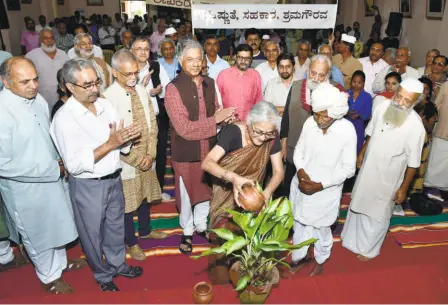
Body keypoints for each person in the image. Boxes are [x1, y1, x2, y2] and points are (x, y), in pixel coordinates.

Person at [50, 58, 143, 291]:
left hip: (113, 178)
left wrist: (125, 139)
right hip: (87, 185)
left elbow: (121, 145)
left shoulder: (106, 106)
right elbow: (73, 165)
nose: (94, 89)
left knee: (115, 227)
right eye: (87, 85)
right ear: (70, 87)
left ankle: (118, 265)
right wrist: (111, 143)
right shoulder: (64, 118)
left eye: (96, 82)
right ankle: (103, 275)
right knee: (91, 234)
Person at [0, 57, 81, 294]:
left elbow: (49, 137)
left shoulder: (37, 100)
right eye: (25, 81)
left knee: (57, 223)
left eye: (35, 79)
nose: (33, 86)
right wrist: (49, 170)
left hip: (53, 177)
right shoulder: (2, 112)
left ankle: (61, 265)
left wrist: (61, 163)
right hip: (24, 188)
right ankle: (49, 277)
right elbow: (3, 164)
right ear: (5, 81)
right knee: (37, 232)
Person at [341, 78, 426, 261]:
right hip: (368, 167)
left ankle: (369, 250)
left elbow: (413, 164)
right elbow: (371, 133)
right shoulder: (381, 107)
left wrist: (403, 188)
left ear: (415, 103)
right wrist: (362, 153)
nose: (400, 102)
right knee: (358, 203)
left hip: (389, 175)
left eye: (407, 100)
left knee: (377, 213)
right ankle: (351, 240)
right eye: (399, 96)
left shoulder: (416, 126)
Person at [164, 40, 235, 254]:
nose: (196, 64)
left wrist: (226, 118)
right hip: (185, 151)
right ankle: (186, 230)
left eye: (199, 59)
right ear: (180, 60)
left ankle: (202, 225)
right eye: (190, 59)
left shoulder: (209, 82)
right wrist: (216, 121)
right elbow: (184, 128)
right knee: (186, 193)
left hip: (209, 148)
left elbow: (217, 111)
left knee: (206, 190)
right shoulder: (173, 88)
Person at [104, 50, 166, 261]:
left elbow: (153, 125)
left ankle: (146, 230)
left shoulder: (141, 90)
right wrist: (138, 159)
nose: (132, 77)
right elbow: (112, 138)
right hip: (126, 160)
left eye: (135, 73)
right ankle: (131, 242)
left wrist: (150, 153)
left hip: (147, 155)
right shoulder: (107, 98)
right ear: (114, 72)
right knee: (128, 203)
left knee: (145, 196)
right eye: (127, 74)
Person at [290, 83, 356, 276]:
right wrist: (301, 172)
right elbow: (299, 150)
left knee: (321, 230)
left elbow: (349, 169)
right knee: (300, 226)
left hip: (326, 192)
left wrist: (320, 185)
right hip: (301, 185)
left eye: (325, 115)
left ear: (336, 113)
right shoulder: (310, 122)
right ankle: (299, 258)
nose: (320, 119)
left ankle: (320, 260)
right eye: (317, 114)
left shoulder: (347, 130)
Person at [203, 101, 284, 229]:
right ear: (249, 123)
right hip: (226, 193)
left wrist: (267, 193)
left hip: (252, 196)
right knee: (226, 236)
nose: (263, 138)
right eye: (259, 132)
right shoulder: (233, 132)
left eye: (268, 133)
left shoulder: (272, 136)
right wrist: (234, 178)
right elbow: (207, 163)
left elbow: (278, 171)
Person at [280, 55, 345, 197]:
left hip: (321, 153)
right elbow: (286, 117)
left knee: (312, 189)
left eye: (321, 75)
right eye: (313, 73)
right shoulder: (296, 86)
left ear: (328, 75)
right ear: (308, 70)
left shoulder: (336, 92)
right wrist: (283, 144)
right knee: (290, 188)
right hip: (294, 146)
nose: (315, 78)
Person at [131, 37, 172, 201]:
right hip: (137, 121)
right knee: (141, 155)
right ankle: (141, 193)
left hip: (157, 119)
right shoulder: (127, 68)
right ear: (132, 51)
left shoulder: (155, 66)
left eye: (146, 49)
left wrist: (159, 92)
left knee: (160, 154)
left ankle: (159, 190)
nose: (142, 52)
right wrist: (145, 91)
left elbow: (167, 88)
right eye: (139, 48)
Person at [25, 29, 69, 110]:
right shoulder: (31, 56)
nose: (49, 40)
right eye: (45, 38)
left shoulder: (63, 54)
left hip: (63, 97)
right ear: (40, 40)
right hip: (41, 97)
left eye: (52, 37)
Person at [217, 44, 262, 121]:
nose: (243, 61)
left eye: (247, 58)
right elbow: (216, 102)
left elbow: (258, 101)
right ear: (235, 57)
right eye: (240, 57)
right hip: (228, 123)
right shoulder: (223, 75)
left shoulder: (255, 75)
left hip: (249, 123)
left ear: (251, 59)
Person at [424, 81, 448, 200]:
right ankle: (431, 194)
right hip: (442, 132)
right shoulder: (446, 86)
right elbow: (436, 107)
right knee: (435, 166)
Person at [410, 102, 438, 194]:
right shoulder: (421, 134)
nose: (434, 122)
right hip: (411, 187)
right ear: (423, 116)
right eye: (433, 119)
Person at [346, 71, 373, 154]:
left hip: (358, 128)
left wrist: (359, 115)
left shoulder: (367, 97)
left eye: (359, 83)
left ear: (363, 83)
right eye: (354, 82)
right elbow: (339, 109)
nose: (356, 85)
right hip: (345, 126)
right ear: (351, 82)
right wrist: (347, 113)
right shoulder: (346, 93)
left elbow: (368, 115)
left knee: (354, 150)